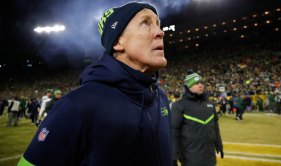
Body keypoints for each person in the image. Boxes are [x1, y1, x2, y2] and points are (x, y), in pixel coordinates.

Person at [18, 2, 172, 166]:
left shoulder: (160, 97)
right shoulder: (77, 106)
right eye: (145, 23)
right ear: (118, 42)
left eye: (158, 24)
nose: (160, 32)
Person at [171, 72, 224, 166]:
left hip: (210, 157)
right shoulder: (179, 106)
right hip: (190, 158)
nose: (200, 85)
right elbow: (174, 133)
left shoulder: (210, 105)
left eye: (201, 83)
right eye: (196, 83)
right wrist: (173, 156)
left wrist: (219, 145)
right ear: (188, 86)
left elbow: (215, 126)